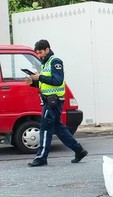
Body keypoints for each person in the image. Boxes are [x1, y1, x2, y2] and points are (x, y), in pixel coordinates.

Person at [25, 39, 87, 167]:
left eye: (41, 52)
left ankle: (41, 157)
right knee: (59, 129)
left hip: (53, 102)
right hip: (49, 101)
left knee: (45, 128)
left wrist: (39, 77)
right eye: (37, 53)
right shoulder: (45, 63)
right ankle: (79, 150)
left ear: (47, 49)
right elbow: (46, 83)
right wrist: (33, 83)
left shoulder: (55, 62)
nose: (39, 55)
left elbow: (57, 81)